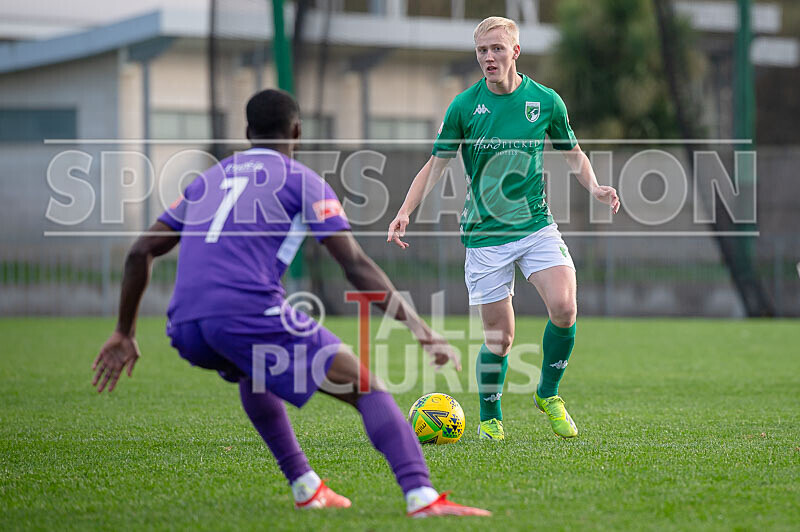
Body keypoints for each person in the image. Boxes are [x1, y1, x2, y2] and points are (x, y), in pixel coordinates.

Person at [92, 89, 490, 518]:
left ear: (247, 132)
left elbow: (140, 252)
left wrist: (124, 331)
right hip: (246, 312)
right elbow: (354, 265)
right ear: (297, 131)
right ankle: (422, 497)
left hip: (186, 326)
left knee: (254, 372)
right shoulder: (301, 180)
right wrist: (418, 327)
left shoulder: (207, 179)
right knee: (368, 389)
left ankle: (307, 487)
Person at [387, 17, 620, 441]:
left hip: (535, 225)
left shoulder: (546, 101)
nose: (488, 57)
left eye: (496, 49)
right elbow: (434, 166)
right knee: (501, 338)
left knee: (565, 307)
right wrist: (405, 210)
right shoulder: (463, 107)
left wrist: (596, 186)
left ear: (515, 51)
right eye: (481, 51)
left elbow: (573, 153)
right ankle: (490, 416)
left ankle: (548, 393)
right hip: (485, 235)